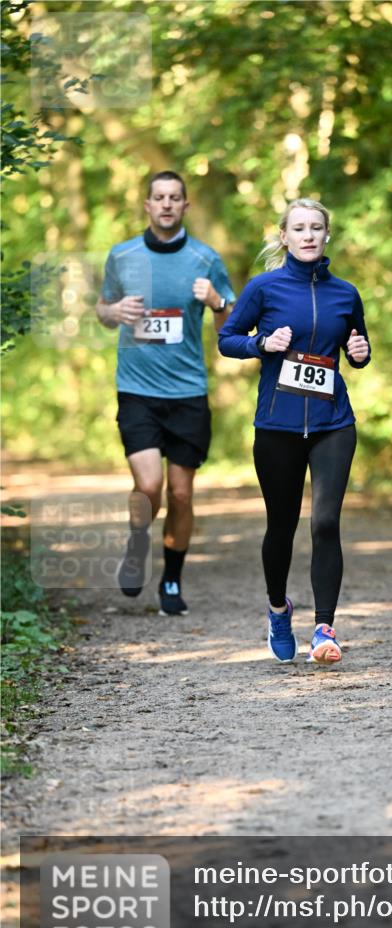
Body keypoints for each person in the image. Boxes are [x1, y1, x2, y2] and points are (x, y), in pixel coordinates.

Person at [218, 198, 370, 664]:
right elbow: (227, 339)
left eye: (316, 228)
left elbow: (357, 348)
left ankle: (325, 629)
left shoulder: (345, 293)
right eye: (299, 228)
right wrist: (262, 343)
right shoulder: (263, 289)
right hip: (277, 425)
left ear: (327, 236)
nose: (308, 235)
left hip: (333, 423)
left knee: (325, 522)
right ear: (284, 236)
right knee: (281, 527)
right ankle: (279, 608)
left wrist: (361, 352)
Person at [96, 170, 235, 615]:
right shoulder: (122, 255)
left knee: (180, 494)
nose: (168, 204)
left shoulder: (205, 259)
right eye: (159, 197)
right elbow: (102, 310)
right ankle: (138, 542)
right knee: (149, 485)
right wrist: (114, 310)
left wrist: (216, 301)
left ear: (186, 206)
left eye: (176, 198)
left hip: (188, 392)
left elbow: (227, 330)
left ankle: (171, 580)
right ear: (147, 205)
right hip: (136, 389)